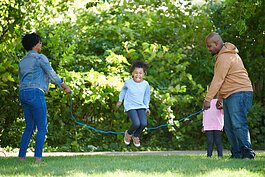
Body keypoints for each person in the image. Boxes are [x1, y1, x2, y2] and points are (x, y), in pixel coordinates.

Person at [18, 33, 71, 162]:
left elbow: (21, 78)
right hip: (35, 92)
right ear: (35, 45)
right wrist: (65, 86)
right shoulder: (40, 58)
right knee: (42, 127)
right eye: (40, 43)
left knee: (29, 126)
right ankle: (38, 158)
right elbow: (51, 73)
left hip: (23, 93)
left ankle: (21, 158)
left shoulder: (22, 61)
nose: (41, 45)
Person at [203, 32, 255, 159]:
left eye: (209, 46)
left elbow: (218, 80)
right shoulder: (223, 55)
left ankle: (247, 153)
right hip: (230, 94)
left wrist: (208, 99)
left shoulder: (225, 57)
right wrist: (220, 98)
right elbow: (225, 80)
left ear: (216, 43)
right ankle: (236, 154)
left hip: (240, 92)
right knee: (229, 126)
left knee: (238, 124)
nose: (208, 49)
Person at [116, 61, 151, 147]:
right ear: (132, 73)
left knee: (143, 123)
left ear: (144, 74)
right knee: (136, 123)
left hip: (141, 106)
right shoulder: (128, 82)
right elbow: (123, 90)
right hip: (130, 106)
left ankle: (135, 136)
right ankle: (128, 134)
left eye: (140, 73)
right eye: (136, 73)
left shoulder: (145, 84)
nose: (138, 75)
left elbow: (147, 96)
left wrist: (146, 107)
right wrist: (120, 100)